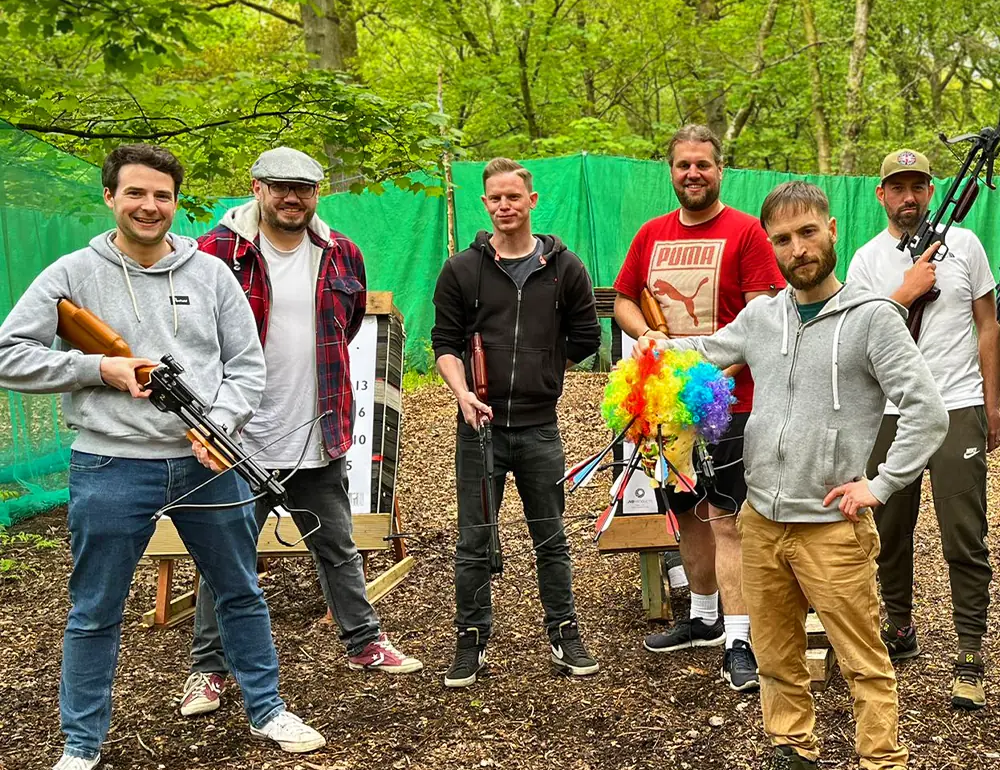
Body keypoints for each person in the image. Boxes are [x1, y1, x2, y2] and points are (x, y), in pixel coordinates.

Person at [0, 144, 326, 770]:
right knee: (95, 610)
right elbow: (11, 354)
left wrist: (221, 426)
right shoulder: (71, 273)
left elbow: (247, 367)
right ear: (111, 198)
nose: (149, 206)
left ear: (176, 202)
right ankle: (80, 746)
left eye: (162, 196)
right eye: (135, 194)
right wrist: (99, 370)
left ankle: (267, 710)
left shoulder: (209, 274)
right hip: (109, 464)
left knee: (240, 590)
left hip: (207, 466)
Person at [639, 181, 948, 770]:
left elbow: (927, 411)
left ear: (831, 230)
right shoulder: (764, 317)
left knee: (865, 663)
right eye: (782, 238)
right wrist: (650, 359)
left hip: (832, 528)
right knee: (779, 658)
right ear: (770, 246)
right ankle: (795, 765)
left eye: (807, 233)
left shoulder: (872, 317)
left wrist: (882, 483)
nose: (797, 249)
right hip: (761, 521)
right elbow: (700, 355)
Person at [178, 147, 422, 717]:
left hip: (316, 428)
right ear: (256, 187)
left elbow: (351, 322)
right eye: (280, 186)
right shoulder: (217, 252)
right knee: (226, 557)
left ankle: (364, 644)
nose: (292, 197)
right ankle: (207, 671)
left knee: (336, 546)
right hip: (238, 438)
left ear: (318, 195)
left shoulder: (342, 254)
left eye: (304, 188)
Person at [613, 124, 785, 691]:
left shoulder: (748, 233)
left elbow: (761, 321)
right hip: (668, 410)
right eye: (683, 164)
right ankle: (704, 618)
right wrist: (647, 340)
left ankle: (740, 636)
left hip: (732, 403)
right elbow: (622, 301)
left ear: (719, 171)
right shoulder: (650, 234)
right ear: (672, 171)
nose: (693, 173)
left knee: (728, 520)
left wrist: (709, 380)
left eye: (703, 165)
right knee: (684, 514)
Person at [431, 157, 602, 687]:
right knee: (474, 538)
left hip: (539, 429)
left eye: (514, 196)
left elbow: (586, 338)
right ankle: (471, 639)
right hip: (478, 426)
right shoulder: (461, 269)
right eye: (495, 198)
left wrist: (544, 372)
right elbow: (445, 342)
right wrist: (463, 395)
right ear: (485, 204)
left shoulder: (566, 268)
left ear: (532, 202)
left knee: (550, 536)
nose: (505, 206)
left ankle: (564, 632)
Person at [847, 148, 998, 710]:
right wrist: (905, 291)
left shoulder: (968, 247)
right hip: (891, 414)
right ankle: (900, 628)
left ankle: (968, 651)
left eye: (918, 187)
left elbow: (987, 323)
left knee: (965, 535)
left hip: (958, 405)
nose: (908, 197)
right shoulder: (866, 261)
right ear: (881, 194)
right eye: (897, 188)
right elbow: (858, 336)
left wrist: (994, 403)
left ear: (930, 192)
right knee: (888, 531)